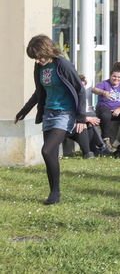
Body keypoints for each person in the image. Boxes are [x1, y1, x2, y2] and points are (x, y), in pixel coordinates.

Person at [15, 34, 87, 204]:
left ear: (47, 51)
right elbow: (39, 92)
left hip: (65, 115)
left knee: (46, 150)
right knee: (51, 154)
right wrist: (24, 110)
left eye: (39, 57)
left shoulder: (64, 65)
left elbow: (80, 90)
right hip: (48, 114)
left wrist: (81, 118)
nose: (37, 61)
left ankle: (55, 192)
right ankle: (54, 194)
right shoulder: (40, 68)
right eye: (35, 58)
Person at [92, 62, 120, 150]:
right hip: (104, 107)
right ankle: (105, 139)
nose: (116, 79)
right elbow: (94, 90)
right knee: (105, 115)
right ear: (110, 76)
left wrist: (119, 109)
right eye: (114, 76)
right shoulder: (105, 83)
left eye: (118, 77)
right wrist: (103, 92)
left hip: (118, 110)